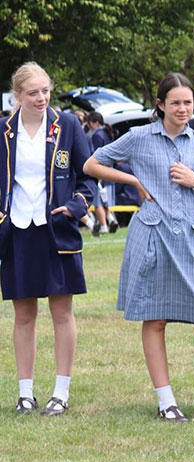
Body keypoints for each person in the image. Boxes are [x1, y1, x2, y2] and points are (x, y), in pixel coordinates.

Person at [83, 72, 194, 422]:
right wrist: (133, 179)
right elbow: (91, 163)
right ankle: (166, 403)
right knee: (155, 318)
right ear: (160, 105)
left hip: (192, 237)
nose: (182, 108)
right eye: (174, 102)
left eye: (187, 102)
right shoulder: (139, 138)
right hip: (152, 237)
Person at [0, 62, 94, 416]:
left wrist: (74, 207)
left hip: (57, 229)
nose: (41, 98)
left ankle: (61, 391)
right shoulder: (3, 130)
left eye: (45, 90)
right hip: (18, 231)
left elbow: (87, 177)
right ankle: (25, 393)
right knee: (23, 314)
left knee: (61, 311)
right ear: (17, 96)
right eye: (33, 92)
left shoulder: (67, 124)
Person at [84, 112, 120, 236]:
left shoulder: (97, 136)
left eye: (89, 123)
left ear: (95, 123)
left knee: (98, 202)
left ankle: (104, 226)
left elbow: (97, 157)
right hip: (110, 171)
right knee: (105, 200)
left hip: (100, 172)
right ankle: (111, 219)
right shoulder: (107, 133)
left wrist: (97, 174)